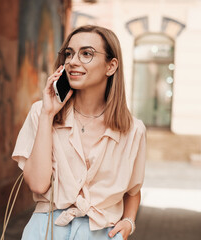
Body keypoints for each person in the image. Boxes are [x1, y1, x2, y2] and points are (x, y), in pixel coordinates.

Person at [12, 25, 146, 240]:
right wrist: (48, 114)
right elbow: (37, 184)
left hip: (102, 233)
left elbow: (133, 190)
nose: (73, 61)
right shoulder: (41, 112)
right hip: (46, 231)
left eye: (86, 54)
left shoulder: (132, 129)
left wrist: (129, 222)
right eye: (69, 53)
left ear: (111, 66)